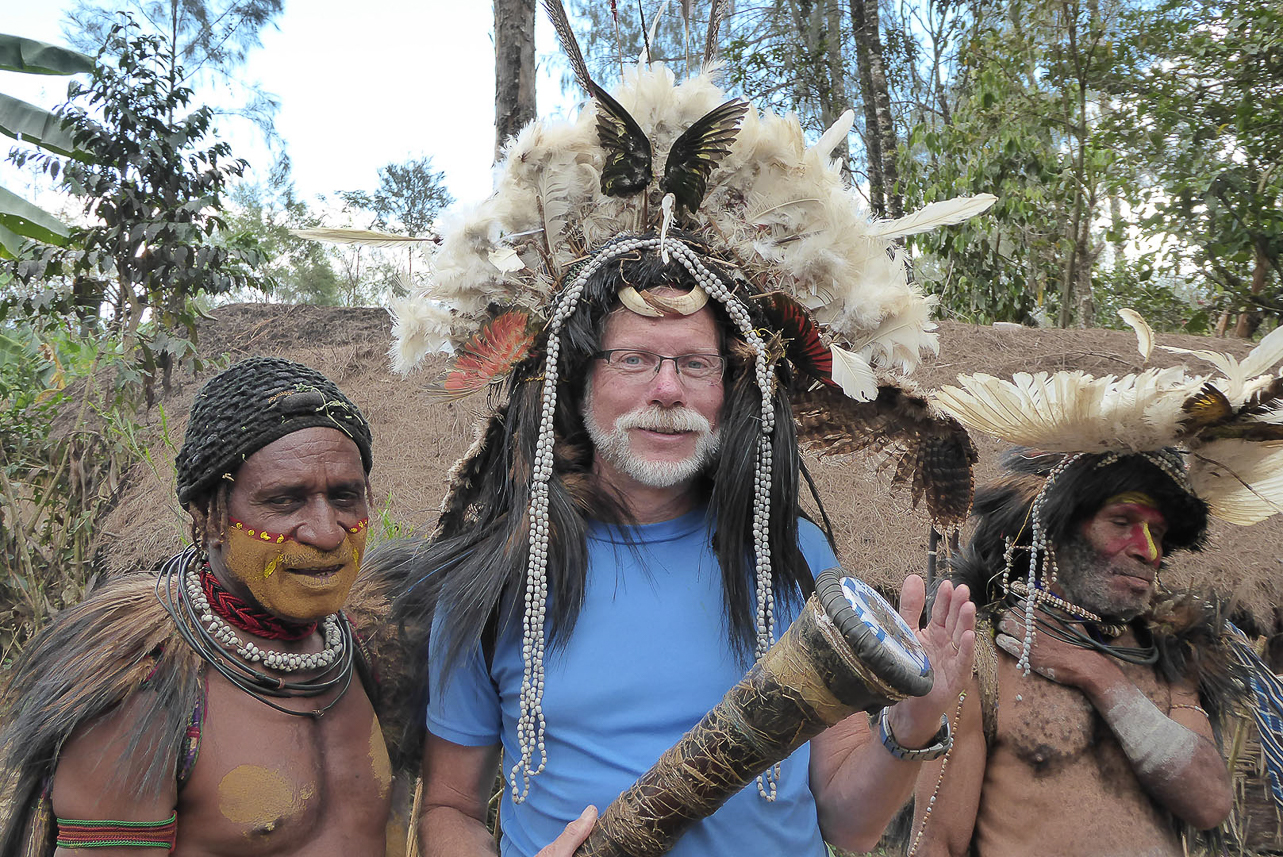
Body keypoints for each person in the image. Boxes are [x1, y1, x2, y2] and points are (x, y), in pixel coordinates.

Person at [385, 6, 992, 855]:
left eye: (694, 365)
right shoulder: (494, 578)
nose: (666, 389)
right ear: (578, 383)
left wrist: (912, 720)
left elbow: (846, 825)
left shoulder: (794, 560)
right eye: (633, 360)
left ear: (729, 390)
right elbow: (447, 810)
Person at [0, 356, 394, 856]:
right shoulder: (143, 686)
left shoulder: (369, 647)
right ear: (210, 517)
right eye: (285, 501)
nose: (326, 531)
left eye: (345, 497)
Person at [917, 358, 1283, 857]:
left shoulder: (1168, 654)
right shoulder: (980, 655)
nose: (1147, 550)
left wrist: (1097, 674)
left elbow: (1209, 802)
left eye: (1158, 533)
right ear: (1059, 528)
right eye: (1122, 521)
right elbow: (936, 842)